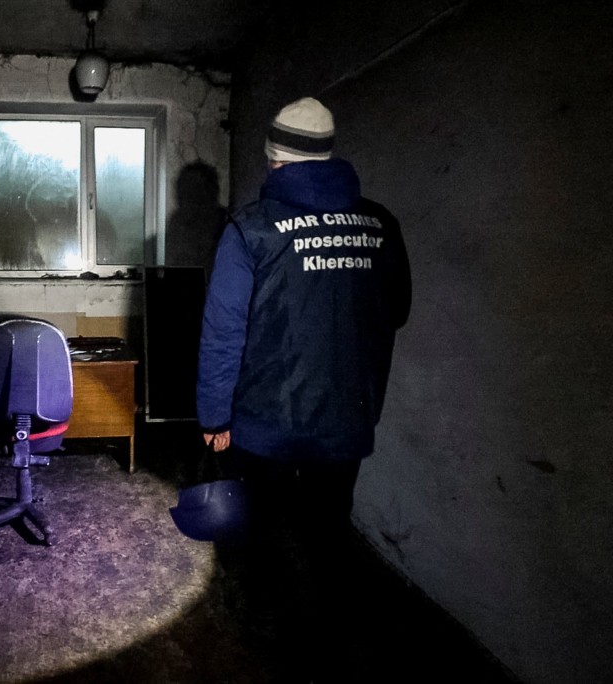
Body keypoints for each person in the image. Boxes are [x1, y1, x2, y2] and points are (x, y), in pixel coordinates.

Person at [195, 96, 411, 680]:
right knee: (328, 531)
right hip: (346, 421)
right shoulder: (381, 224)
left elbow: (222, 337)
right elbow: (398, 310)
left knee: (260, 528)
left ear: (275, 160)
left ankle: (269, 640)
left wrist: (214, 420)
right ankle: (327, 648)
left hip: (265, 422)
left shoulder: (252, 229)